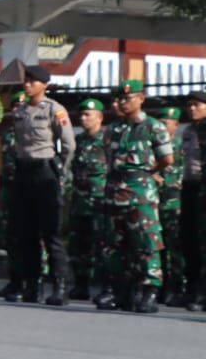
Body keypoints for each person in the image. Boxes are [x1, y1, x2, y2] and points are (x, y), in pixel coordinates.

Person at [95, 79, 173, 313]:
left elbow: (166, 159)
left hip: (140, 193)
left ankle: (149, 291)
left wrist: (148, 173)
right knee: (115, 244)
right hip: (114, 191)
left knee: (146, 243)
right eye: (119, 99)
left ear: (141, 98)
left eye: (127, 98)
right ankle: (122, 292)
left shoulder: (153, 127)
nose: (122, 103)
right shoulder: (113, 129)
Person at [4, 65, 76, 305]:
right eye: (26, 81)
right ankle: (33, 285)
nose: (28, 85)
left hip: (45, 172)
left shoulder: (55, 110)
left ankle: (60, 286)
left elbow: (68, 145)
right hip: (24, 172)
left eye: (33, 81)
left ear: (44, 84)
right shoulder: (21, 111)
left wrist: (60, 171)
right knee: (26, 233)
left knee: (51, 232)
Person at [65, 98, 109, 301]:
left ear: (99, 117)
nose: (83, 119)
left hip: (100, 202)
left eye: (87, 115)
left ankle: (107, 288)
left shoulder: (108, 139)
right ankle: (81, 284)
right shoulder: (79, 140)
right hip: (80, 202)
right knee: (78, 246)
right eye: (81, 115)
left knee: (102, 246)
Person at [0, 91, 28, 299]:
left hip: (28, 189)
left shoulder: (34, 131)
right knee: (10, 237)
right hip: (10, 190)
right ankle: (14, 281)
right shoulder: (7, 134)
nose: (18, 110)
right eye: (15, 106)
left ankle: (32, 281)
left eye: (22, 105)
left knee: (30, 237)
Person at [157, 106, 187, 306]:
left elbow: (184, 176)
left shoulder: (182, 146)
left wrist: (164, 181)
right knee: (158, 249)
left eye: (166, 123)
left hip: (174, 203)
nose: (162, 127)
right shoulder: (155, 146)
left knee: (175, 250)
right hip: (155, 204)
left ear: (176, 125)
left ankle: (179, 289)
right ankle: (159, 289)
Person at [181, 92, 206, 308]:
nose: (192, 109)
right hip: (188, 187)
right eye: (189, 105)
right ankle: (191, 289)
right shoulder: (189, 130)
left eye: (197, 105)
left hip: (203, 187)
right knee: (189, 240)